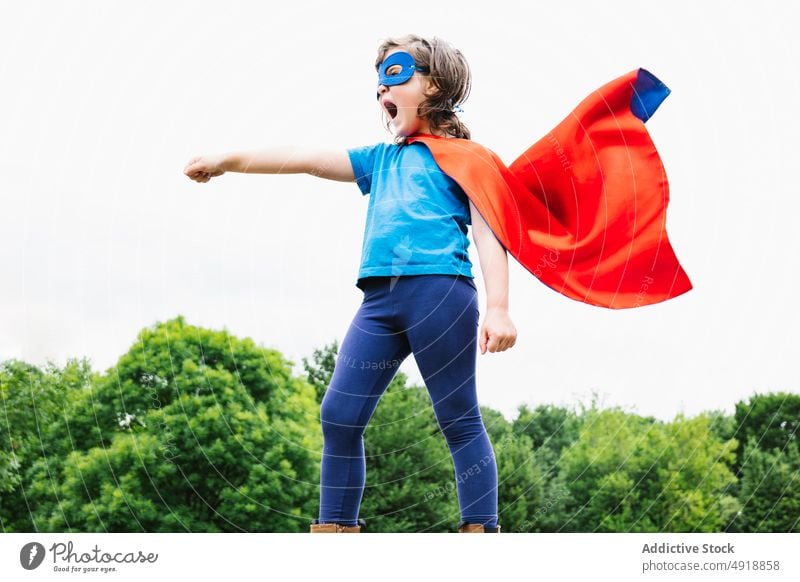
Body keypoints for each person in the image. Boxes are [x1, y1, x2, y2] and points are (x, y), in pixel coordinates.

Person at [184, 34, 515, 533]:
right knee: (338, 415)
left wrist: (499, 307)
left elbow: (490, 233)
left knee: (458, 418)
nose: (383, 87)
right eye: (378, 79)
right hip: (379, 302)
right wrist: (227, 161)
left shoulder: (469, 158)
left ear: (435, 84)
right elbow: (306, 158)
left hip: (440, 293)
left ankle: (480, 535)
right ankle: (335, 533)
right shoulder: (379, 160)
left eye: (397, 74)